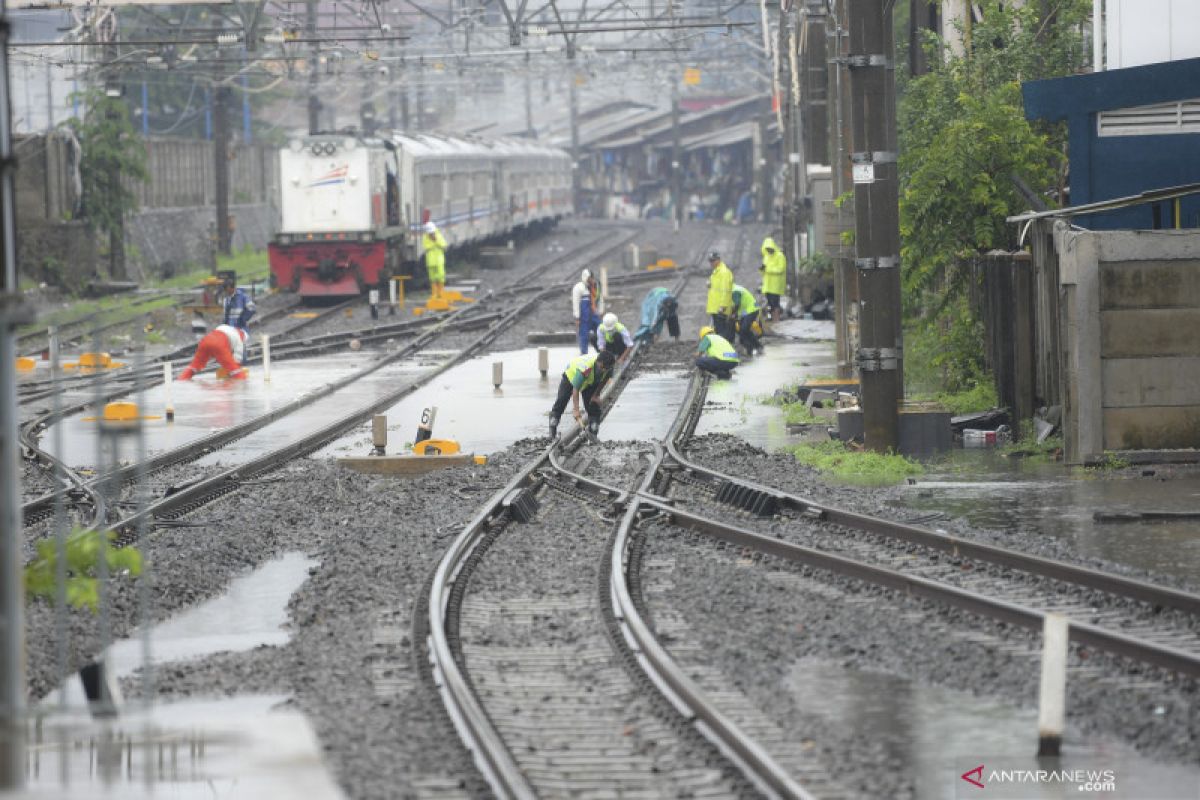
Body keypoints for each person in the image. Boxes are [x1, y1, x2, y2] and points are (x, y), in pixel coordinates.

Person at [548, 350, 616, 438]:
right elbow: (575, 389)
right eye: (602, 367)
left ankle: (593, 433)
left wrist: (596, 395)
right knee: (562, 400)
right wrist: (576, 410)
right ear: (598, 362)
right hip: (571, 377)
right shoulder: (586, 367)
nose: (603, 370)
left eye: (606, 368)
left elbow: (605, 379)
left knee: (593, 406)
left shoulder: (609, 366)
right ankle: (552, 432)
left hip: (589, 382)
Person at [179, 324, 248, 381]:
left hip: (205, 341)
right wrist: (234, 370)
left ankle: (181, 380)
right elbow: (237, 359)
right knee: (237, 372)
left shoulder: (225, 327)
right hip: (219, 344)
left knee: (194, 366)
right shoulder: (240, 340)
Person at [571, 268, 602, 355]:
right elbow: (576, 303)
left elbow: (599, 299)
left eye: (592, 278)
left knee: (601, 332)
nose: (591, 280)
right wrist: (577, 317)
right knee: (584, 336)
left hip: (594, 315)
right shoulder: (578, 288)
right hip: (584, 317)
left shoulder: (595, 287)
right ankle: (584, 354)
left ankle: (602, 351)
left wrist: (601, 311)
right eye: (590, 278)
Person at [706, 251, 735, 341]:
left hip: (720, 308)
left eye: (713, 261)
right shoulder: (716, 272)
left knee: (722, 331)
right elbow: (717, 289)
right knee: (718, 330)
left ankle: (724, 350)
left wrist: (722, 306)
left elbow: (726, 291)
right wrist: (710, 284)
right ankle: (722, 350)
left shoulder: (724, 272)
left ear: (718, 260)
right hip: (715, 307)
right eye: (710, 261)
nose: (711, 263)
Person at [731, 284, 763, 355]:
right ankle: (752, 347)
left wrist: (733, 313)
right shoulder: (732, 289)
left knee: (744, 329)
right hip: (745, 312)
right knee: (743, 330)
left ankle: (754, 347)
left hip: (751, 310)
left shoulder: (735, 290)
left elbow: (737, 304)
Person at [760, 237, 787, 322]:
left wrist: (767, 270)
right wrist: (762, 270)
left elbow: (781, 269)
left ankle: (776, 319)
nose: (769, 250)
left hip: (775, 285)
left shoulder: (780, 256)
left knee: (775, 303)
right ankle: (772, 318)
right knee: (770, 303)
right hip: (768, 285)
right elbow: (764, 271)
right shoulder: (766, 256)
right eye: (767, 249)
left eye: (770, 248)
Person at [423, 221, 447, 299]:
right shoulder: (425, 237)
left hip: (439, 260)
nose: (431, 234)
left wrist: (436, 240)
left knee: (441, 276)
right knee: (432, 278)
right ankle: (434, 294)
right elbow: (426, 246)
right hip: (430, 261)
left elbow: (444, 245)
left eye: (432, 232)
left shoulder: (438, 235)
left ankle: (441, 293)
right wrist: (435, 243)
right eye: (430, 233)